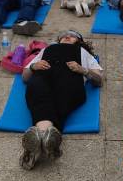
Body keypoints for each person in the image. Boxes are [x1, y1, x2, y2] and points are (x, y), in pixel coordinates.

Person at [19, 30, 102, 170]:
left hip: (69, 79)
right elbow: (25, 77)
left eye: (72, 35)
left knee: (59, 98)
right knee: (38, 91)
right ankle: (45, 138)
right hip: (42, 77)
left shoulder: (83, 52)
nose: (67, 36)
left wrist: (83, 70)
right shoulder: (47, 49)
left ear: (79, 41)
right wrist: (33, 67)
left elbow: (99, 80)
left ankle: (37, 143)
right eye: (64, 35)